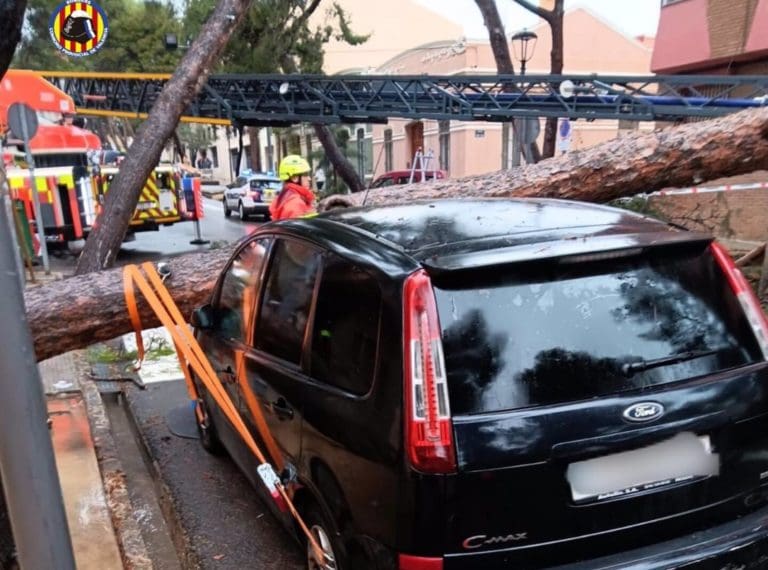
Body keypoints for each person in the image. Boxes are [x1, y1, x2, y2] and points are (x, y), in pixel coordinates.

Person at [270, 155, 315, 221]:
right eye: (305, 175)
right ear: (294, 178)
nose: (309, 179)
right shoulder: (296, 204)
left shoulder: (285, 198)